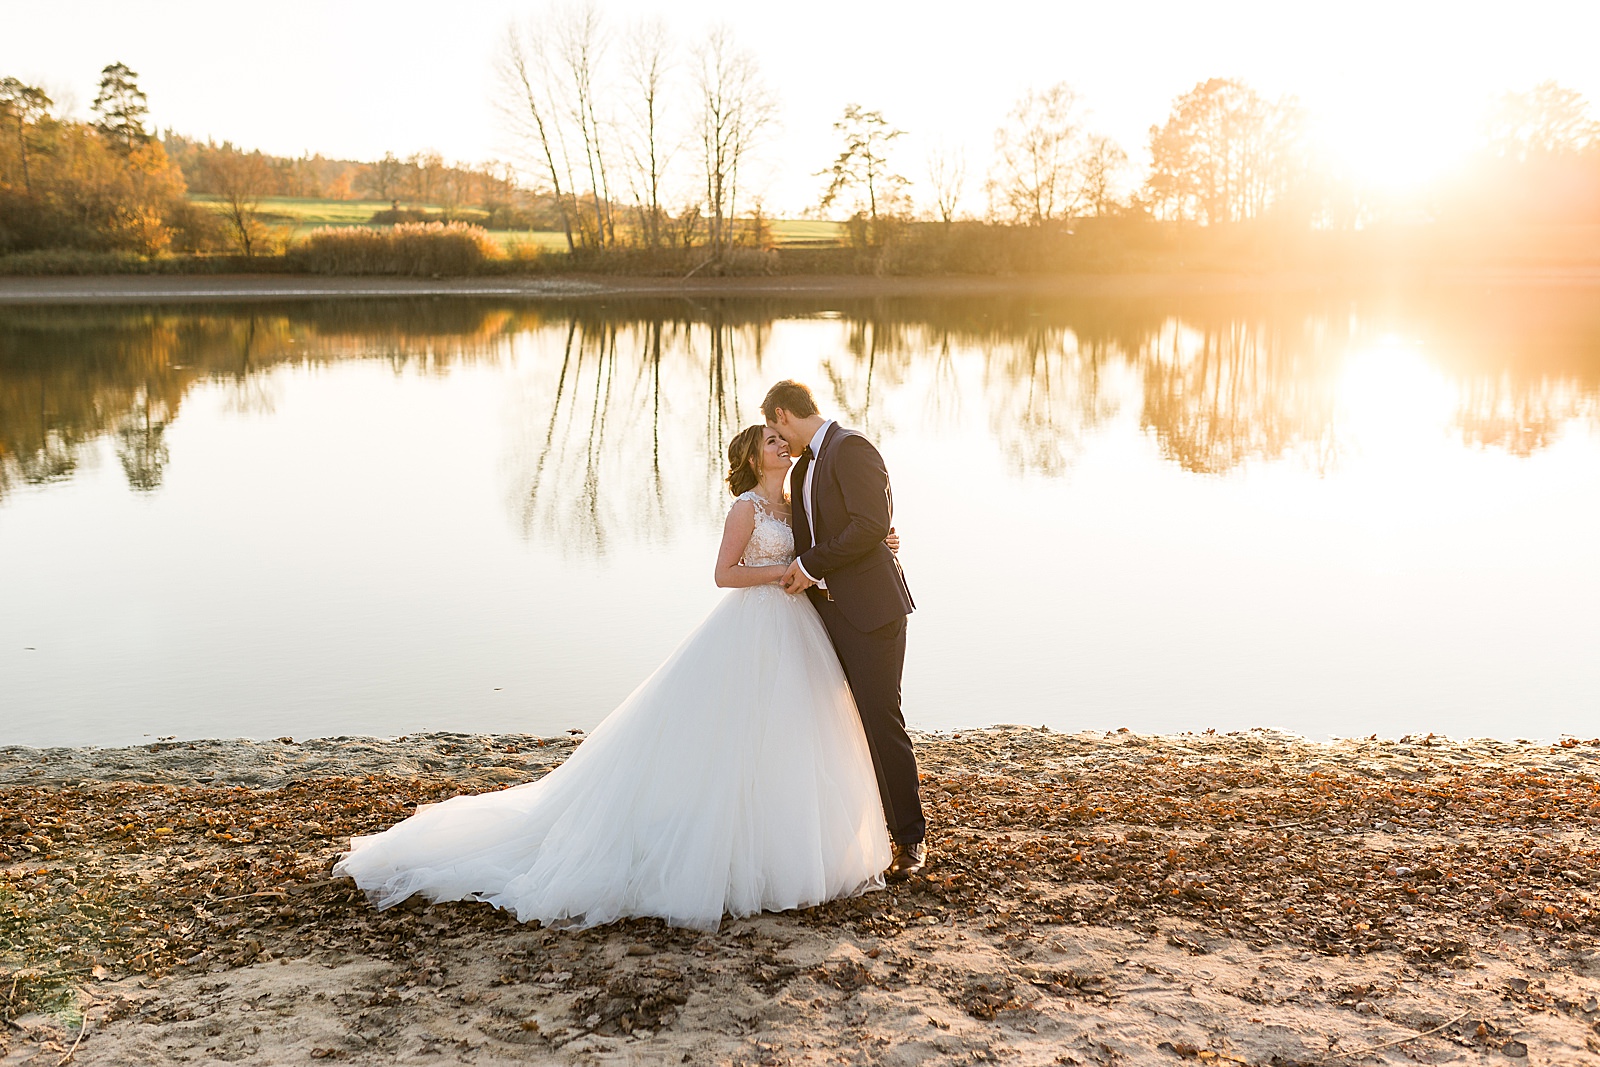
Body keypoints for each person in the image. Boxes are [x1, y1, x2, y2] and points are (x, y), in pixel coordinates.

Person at [333, 424, 894, 930]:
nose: (781, 444)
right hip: (753, 625)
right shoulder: (745, 509)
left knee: (794, 733)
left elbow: (834, 543)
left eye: (781, 438)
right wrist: (782, 573)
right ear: (752, 459)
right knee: (732, 732)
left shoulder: (799, 506)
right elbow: (724, 574)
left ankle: (789, 847)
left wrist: (878, 544)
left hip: (797, 628)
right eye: (770, 441)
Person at [762, 379, 925, 881]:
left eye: (772, 428)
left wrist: (814, 563)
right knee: (836, 724)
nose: (774, 438)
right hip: (827, 614)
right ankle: (853, 833)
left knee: (881, 719)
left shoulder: (851, 448)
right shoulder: (806, 466)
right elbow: (834, 532)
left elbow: (870, 522)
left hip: (872, 611)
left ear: (784, 415)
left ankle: (910, 840)